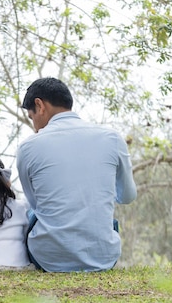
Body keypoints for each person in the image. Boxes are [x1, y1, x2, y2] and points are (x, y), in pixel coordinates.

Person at [16, 77, 137, 272]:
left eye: (32, 118)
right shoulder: (112, 138)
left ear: (39, 105)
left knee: (30, 212)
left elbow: (36, 205)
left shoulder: (28, 147)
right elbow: (128, 197)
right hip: (103, 258)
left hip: (47, 260)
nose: (35, 127)